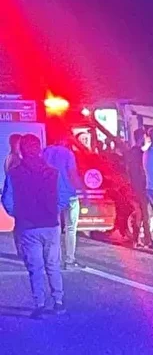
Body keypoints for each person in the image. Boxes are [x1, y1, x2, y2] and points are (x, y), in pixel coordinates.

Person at [2, 134, 66, 319]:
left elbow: (7, 200)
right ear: (39, 150)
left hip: (28, 227)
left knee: (35, 267)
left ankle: (39, 304)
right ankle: (58, 301)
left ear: (21, 151)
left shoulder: (14, 174)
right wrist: (53, 211)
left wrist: (19, 214)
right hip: (50, 225)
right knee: (53, 264)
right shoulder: (53, 173)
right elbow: (63, 197)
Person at [43, 135, 83, 269]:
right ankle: (70, 260)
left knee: (55, 229)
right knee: (71, 228)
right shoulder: (68, 154)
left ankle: (53, 260)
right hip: (69, 195)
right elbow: (72, 174)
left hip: (51, 195)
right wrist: (83, 191)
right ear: (65, 141)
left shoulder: (45, 152)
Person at [127, 129, 153, 250]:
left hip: (134, 186)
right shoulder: (139, 153)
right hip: (141, 187)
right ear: (141, 138)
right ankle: (147, 240)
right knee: (145, 214)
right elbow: (141, 171)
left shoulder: (131, 152)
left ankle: (136, 240)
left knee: (139, 213)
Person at [3, 133, 23, 258]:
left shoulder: (10, 157)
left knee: (19, 223)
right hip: (18, 194)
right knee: (21, 223)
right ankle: (21, 250)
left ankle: (20, 249)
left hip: (15, 193)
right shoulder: (15, 158)